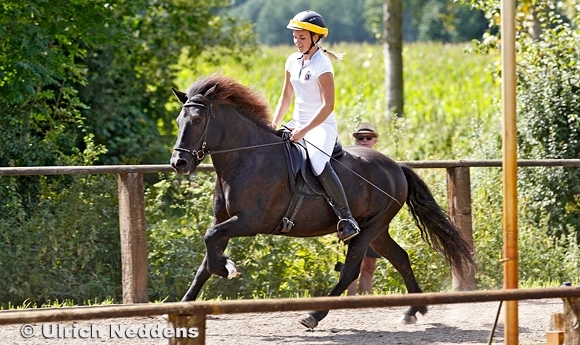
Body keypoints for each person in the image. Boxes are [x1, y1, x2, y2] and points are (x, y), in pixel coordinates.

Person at [270, 10, 359, 242]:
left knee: (318, 162)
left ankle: (346, 218)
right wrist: (274, 122)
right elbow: (286, 97)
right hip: (297, 123)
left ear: (315, 38)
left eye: (302, 37)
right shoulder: (291, 60)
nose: (297, 42)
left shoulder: (323, 65)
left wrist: (303, 131)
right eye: (295, 37)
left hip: (321, 126)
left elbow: (328, 105)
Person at [347, 122, 382, 295]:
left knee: (369, 265)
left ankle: (366, 303)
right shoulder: (349, 164)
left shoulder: (382, 165)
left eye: (368, 137)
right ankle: (349, 302)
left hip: (374, 219)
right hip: (354, 219)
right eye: (360, 138)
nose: (364, 140)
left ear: (374, 140)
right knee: (352, 263)